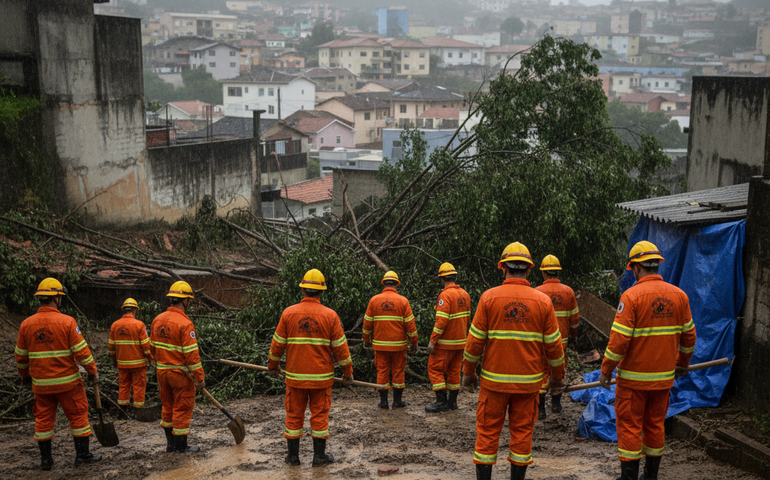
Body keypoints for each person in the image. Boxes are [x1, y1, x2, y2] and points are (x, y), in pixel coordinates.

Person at [462, 242, 565, 480]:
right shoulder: (543, 302)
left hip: (493, 385)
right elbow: (554, 347)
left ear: (502, 268)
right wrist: (557, 378)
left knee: (487, 435)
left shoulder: (489, 298)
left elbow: (474, 342)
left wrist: (468, 373)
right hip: (528, 386)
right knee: (522, 436)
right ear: (529, 270)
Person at [598, 241, 696, 480]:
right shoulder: (679, 296)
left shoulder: (631, 297)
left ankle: (629, 477)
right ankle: (651, 476)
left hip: (633, 383)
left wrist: (606, 371)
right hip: (663, 381)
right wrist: (682, 363)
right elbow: (689, 336)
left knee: (630, 428)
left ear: (635, 267)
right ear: (656, 265)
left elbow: (619, 342)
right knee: (655, 426)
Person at [267, 269, 354, 467]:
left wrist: (273, 366)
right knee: (320, 416)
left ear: (303, 290)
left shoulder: (288, 314)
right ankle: (319, 457)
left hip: (295, 378)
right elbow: (341, 350)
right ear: (321, 292)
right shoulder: (330, 316)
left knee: (293, 415)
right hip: (321, 379)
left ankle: (293, 457)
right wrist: (348, 373)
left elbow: (277, 345)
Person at [15, 278, 102, 471]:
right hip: (68, 384)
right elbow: (82, 353)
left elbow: (20, 357)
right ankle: (82, 456)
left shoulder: (26, 325)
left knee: (43, 420)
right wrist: (92, 372)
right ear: (57, 299)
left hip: (41, 386)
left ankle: (46, 461)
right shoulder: (67, 322)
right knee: (78, 416)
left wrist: (25, 376)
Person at [150, 281, 204, 454]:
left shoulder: (157, 320)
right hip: (180, 375)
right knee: (182, 407)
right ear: (185, 301)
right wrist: (200, 378)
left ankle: (170, 445)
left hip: (162, 373)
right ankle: (181, 446)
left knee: (167, 407)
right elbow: (192, 356)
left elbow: (152, 348)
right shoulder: (185, 324)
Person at [362, 270, 418, 409]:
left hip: (380, 346)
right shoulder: (403, 301)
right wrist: (414, 343)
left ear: (384, 284)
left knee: (382, 372)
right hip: (399, 346)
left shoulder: (374, 300)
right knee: (398, 371)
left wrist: (366, 341)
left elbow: (367, 324)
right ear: (396, 284)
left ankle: (384, 402)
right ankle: (397, 402)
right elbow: (411, 326)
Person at [534, 254, 579, 419]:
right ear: (558, 272)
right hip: (561, 344)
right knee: (558, 372)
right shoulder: (568, 292)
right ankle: (556, 405)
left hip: (542, 344)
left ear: (544, 273)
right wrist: (573, 335)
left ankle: (541, 411)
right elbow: (575, 318)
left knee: (542, 374)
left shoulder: (536, 292)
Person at [425, 262, 471, 413]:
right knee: (454, 372)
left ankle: (441, 402)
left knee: (434, 369)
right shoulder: (465, 295)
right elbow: (468, 320)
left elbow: (441, 321)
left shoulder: (445, 296)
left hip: (445, 344)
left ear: (442, 279)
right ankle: (452, 403)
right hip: (460, 343)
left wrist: (432, 341)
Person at [109, 298, 153, 412]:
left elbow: (111, 347)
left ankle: (123, 411)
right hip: (138, 364)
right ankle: (137, 410)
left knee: (123, 385)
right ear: (134, 310)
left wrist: (114, 361)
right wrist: (151, 360)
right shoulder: (139, 325)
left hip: (122, 364)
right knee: (139, 386)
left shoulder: (115, 325)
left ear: (124, 310)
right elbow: (146, 347)